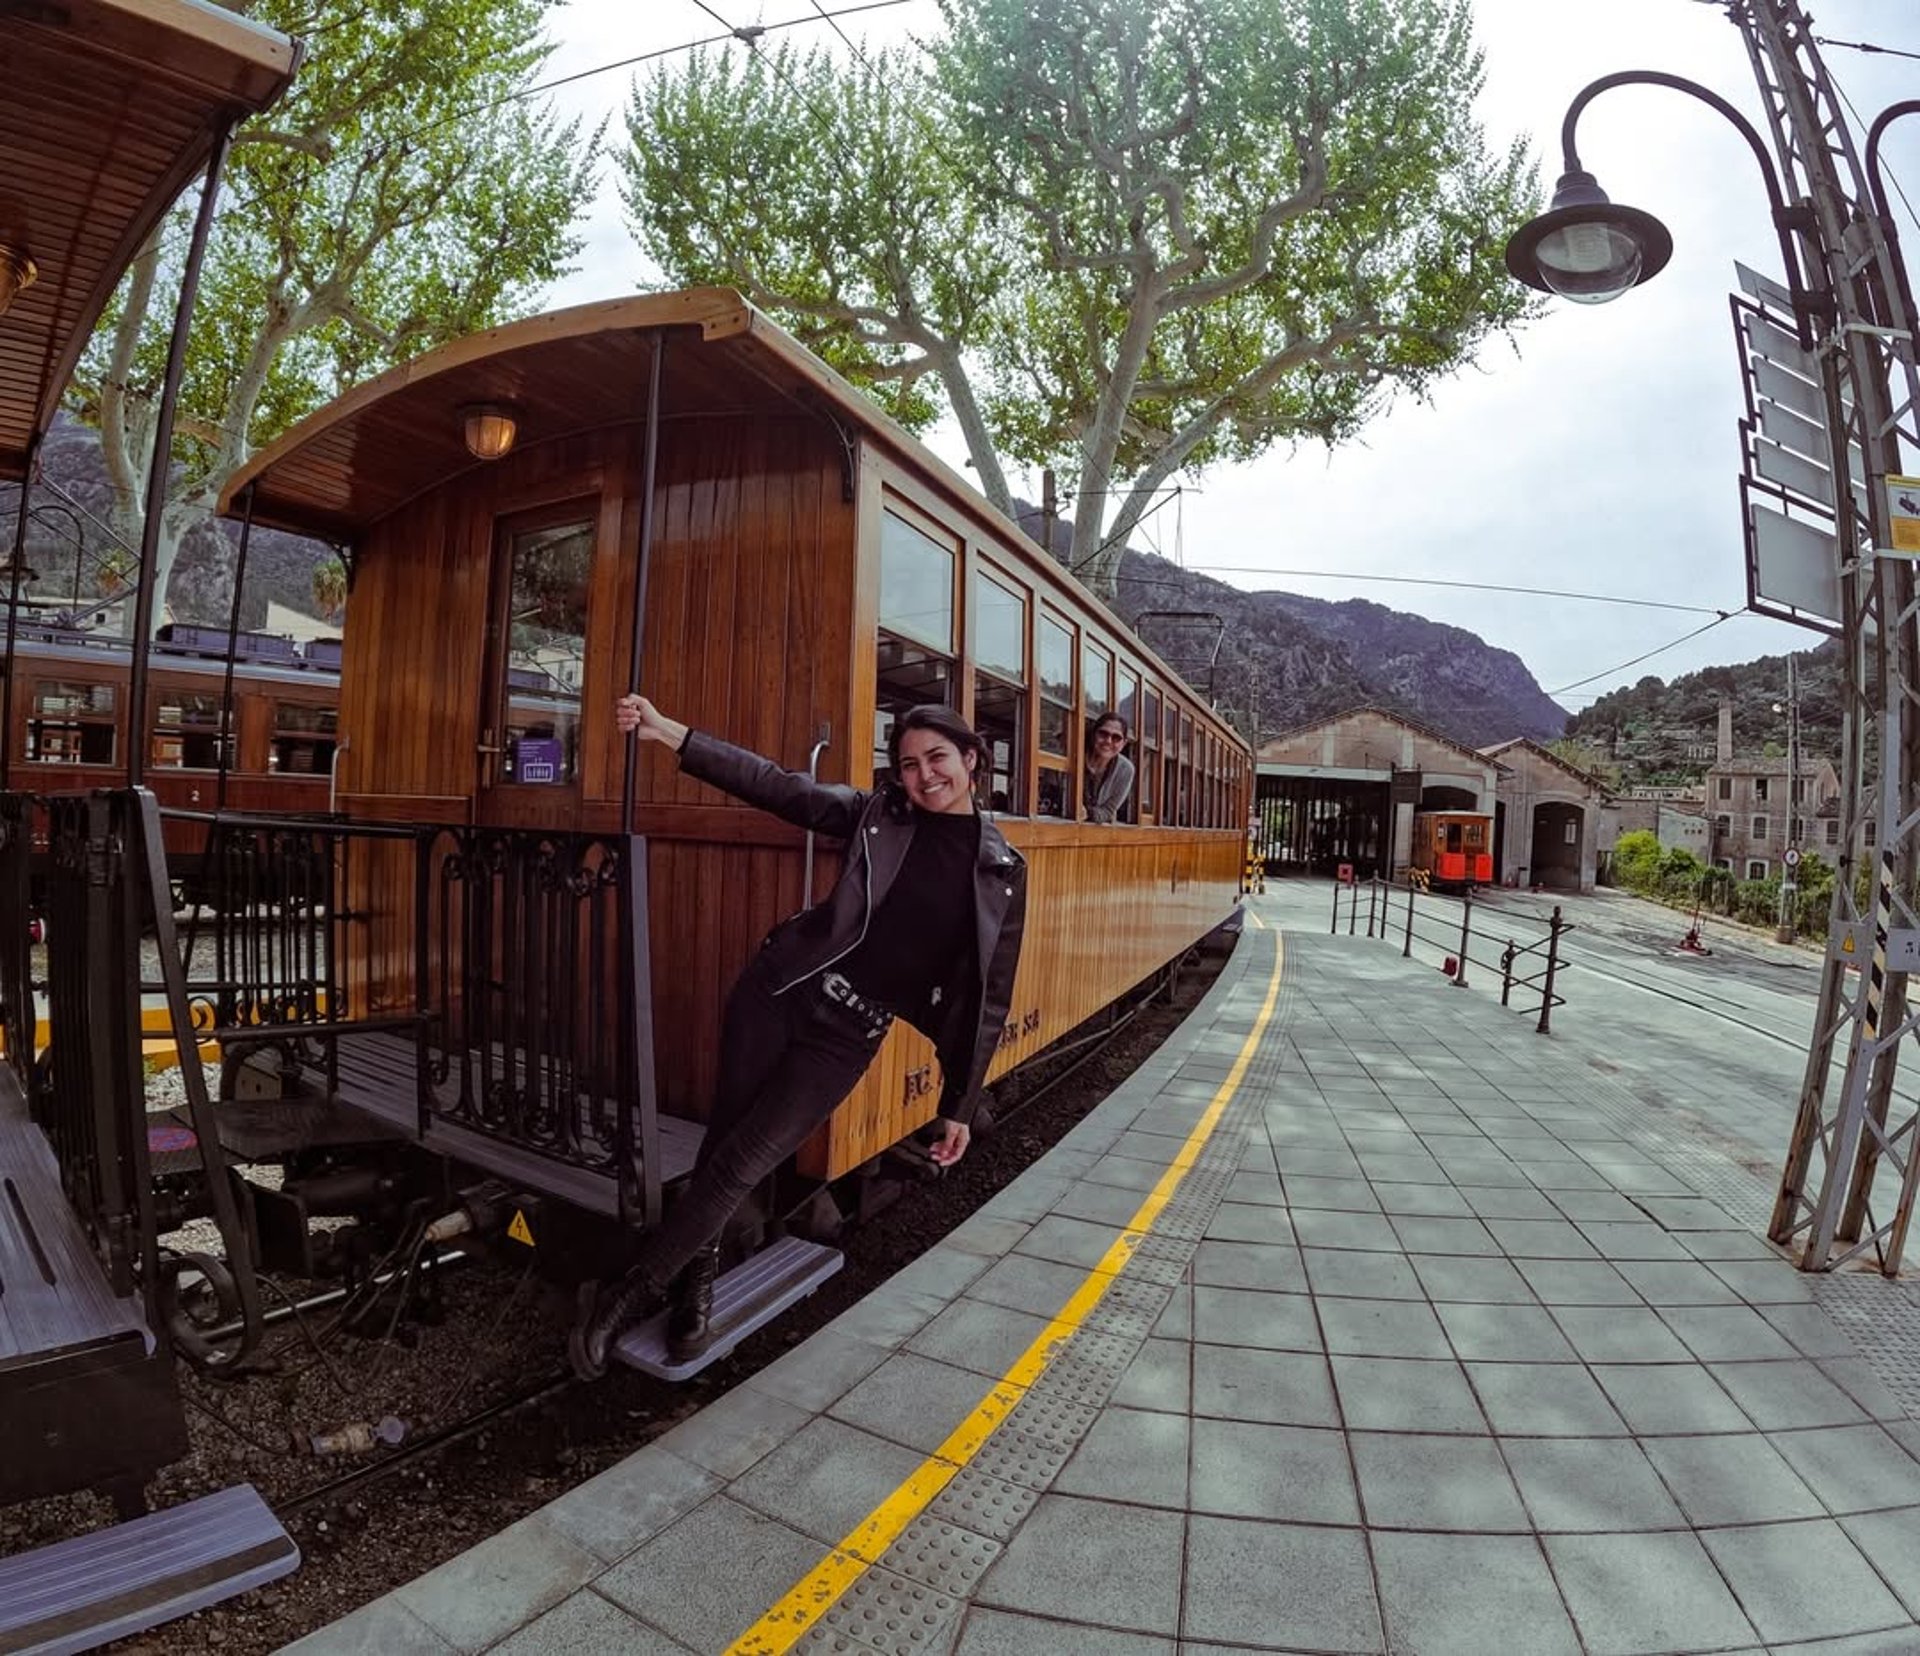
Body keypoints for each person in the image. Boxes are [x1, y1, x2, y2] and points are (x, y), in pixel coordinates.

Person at [570, 695, 1028, 1377]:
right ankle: (695, 1282)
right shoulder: (877, 815)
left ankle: (629, 1294)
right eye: (908, 764)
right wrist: (671, 733)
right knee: (725, 1144)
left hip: (847, 1035)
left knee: (743, 1160)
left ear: (969, 759)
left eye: (937, 758)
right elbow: (779, 787)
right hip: (779, 991)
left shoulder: (1001, 872)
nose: (923, 775)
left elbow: (989, 996)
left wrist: (959, 1104)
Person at [1084, 712, 1136, 824]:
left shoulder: (1126, 770)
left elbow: (1108, 811)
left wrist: (1087, 813)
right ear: (1094, 734)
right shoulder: (1076, 754)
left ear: (1123, 744)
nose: (1108, 741)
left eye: (1116, 738)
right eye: (1103, 734)